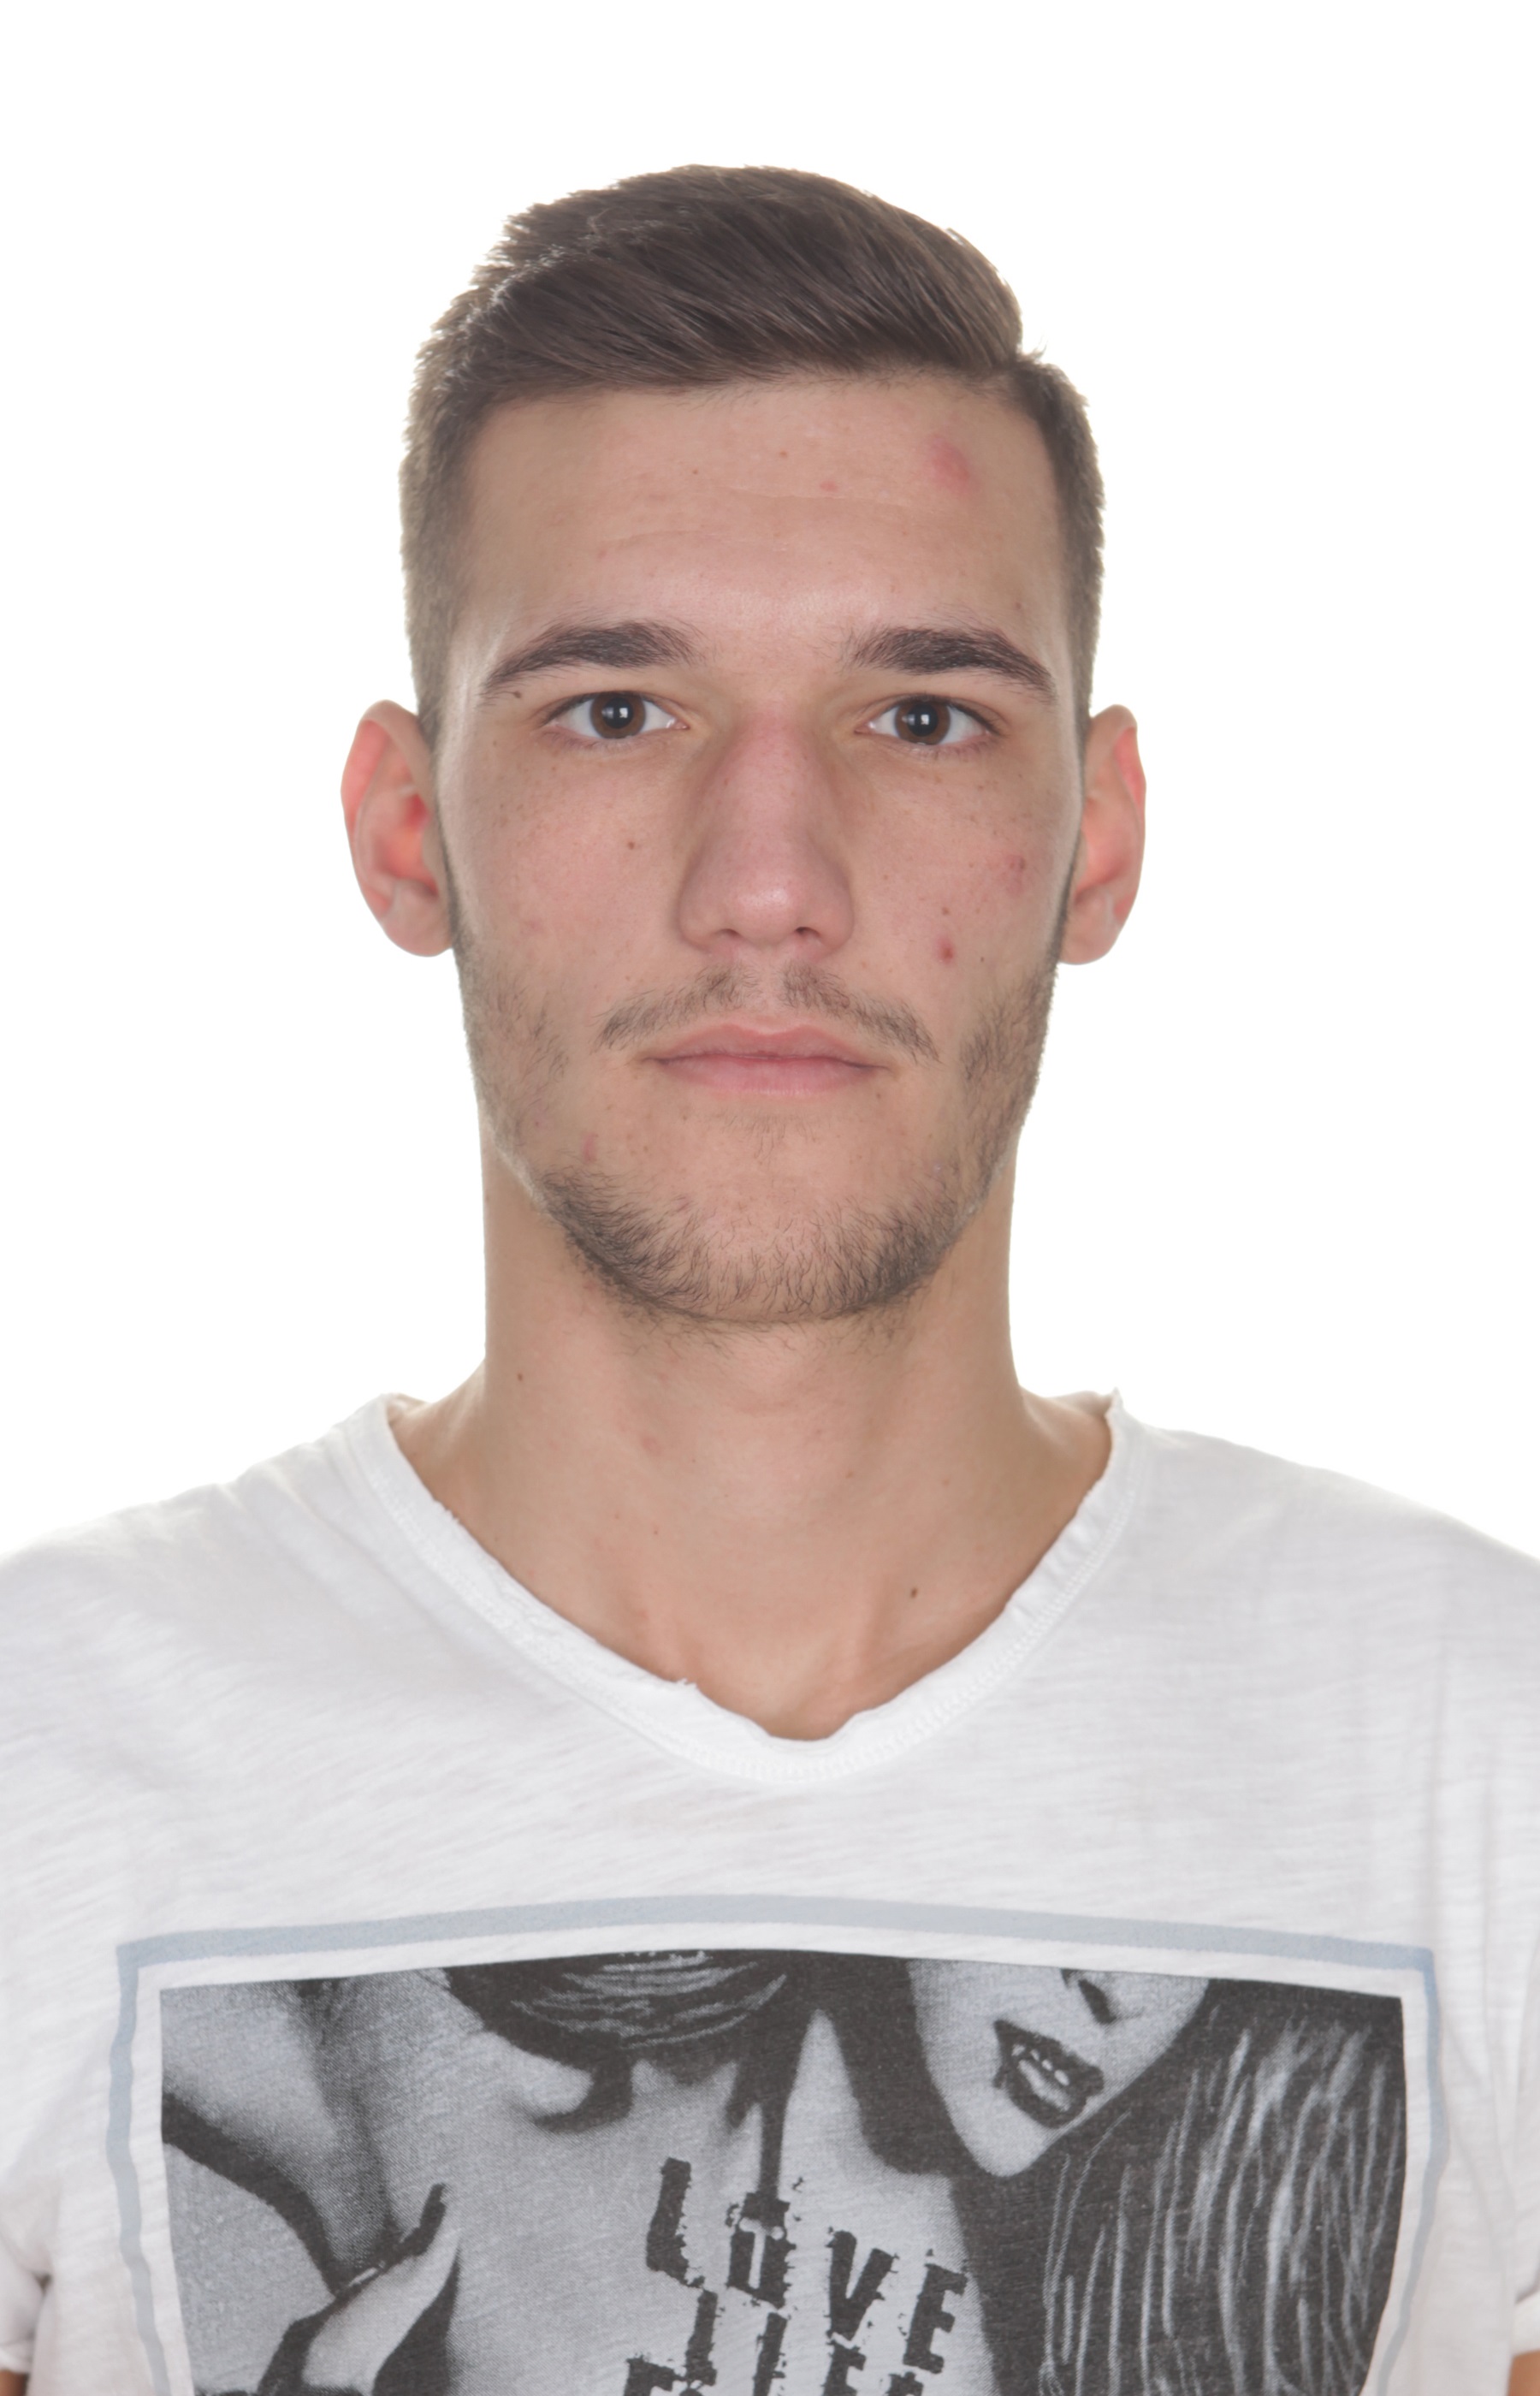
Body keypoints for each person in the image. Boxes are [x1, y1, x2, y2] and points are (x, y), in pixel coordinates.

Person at [0, 162, 1536, 2396]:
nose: (769, 885)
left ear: (1096, 838)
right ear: (408, 827)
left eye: (923, 717)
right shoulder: (45, 1745)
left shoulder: (1478, 1746)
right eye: (618, 709)